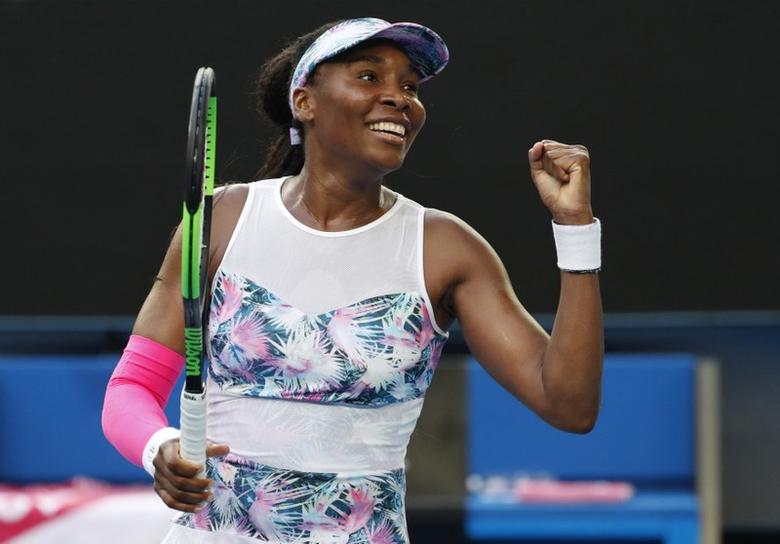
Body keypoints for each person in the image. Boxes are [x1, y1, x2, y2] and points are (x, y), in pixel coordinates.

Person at [102, 17, 603, 544]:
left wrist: (576, 230)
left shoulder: (446, 248)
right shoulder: (221, 219)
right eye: (369, 76)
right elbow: (132, 387)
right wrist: (159, 447)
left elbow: (569, 405)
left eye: (410, 87)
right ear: (305, 102)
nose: (399, 98)